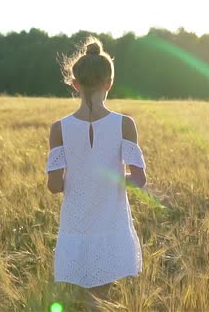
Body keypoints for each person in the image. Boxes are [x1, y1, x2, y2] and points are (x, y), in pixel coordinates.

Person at [45, 36, 147, 305]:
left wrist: (81, 177)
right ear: (109, 83)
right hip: (110, 226)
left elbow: (54, 185)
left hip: (76, 227)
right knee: (101, 300)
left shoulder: (59, 129)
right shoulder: (125, 124)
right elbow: (139, 179)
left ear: (75, 83)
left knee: (80, 300)